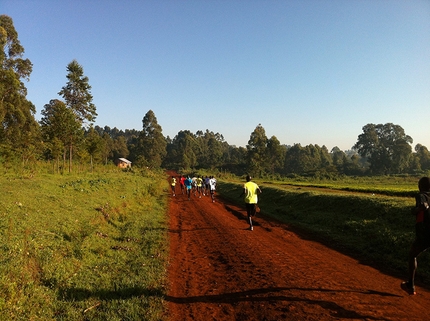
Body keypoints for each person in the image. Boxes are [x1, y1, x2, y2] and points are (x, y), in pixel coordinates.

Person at [401, 176, 430, 295]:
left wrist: (418, 208)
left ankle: (410, 285)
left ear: (420, 186)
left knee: (412, 255)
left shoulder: (421, 195)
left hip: (425, 233)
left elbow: (417, 209)